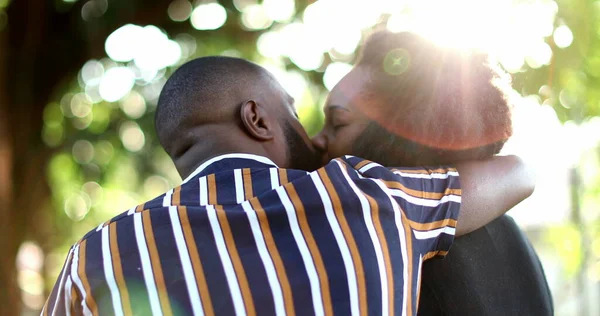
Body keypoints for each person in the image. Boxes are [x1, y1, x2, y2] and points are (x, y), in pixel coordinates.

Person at [42, 56, 534, 316]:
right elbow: (519, 172)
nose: (316, 141)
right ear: (256, 119)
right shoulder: (366, 199)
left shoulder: (95, 256)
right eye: (296, 113)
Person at [311, 31, 552, 315]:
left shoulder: (380, 237)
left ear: (399, 134)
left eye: (338, 123)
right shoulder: (511, 235)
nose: (316, 139)